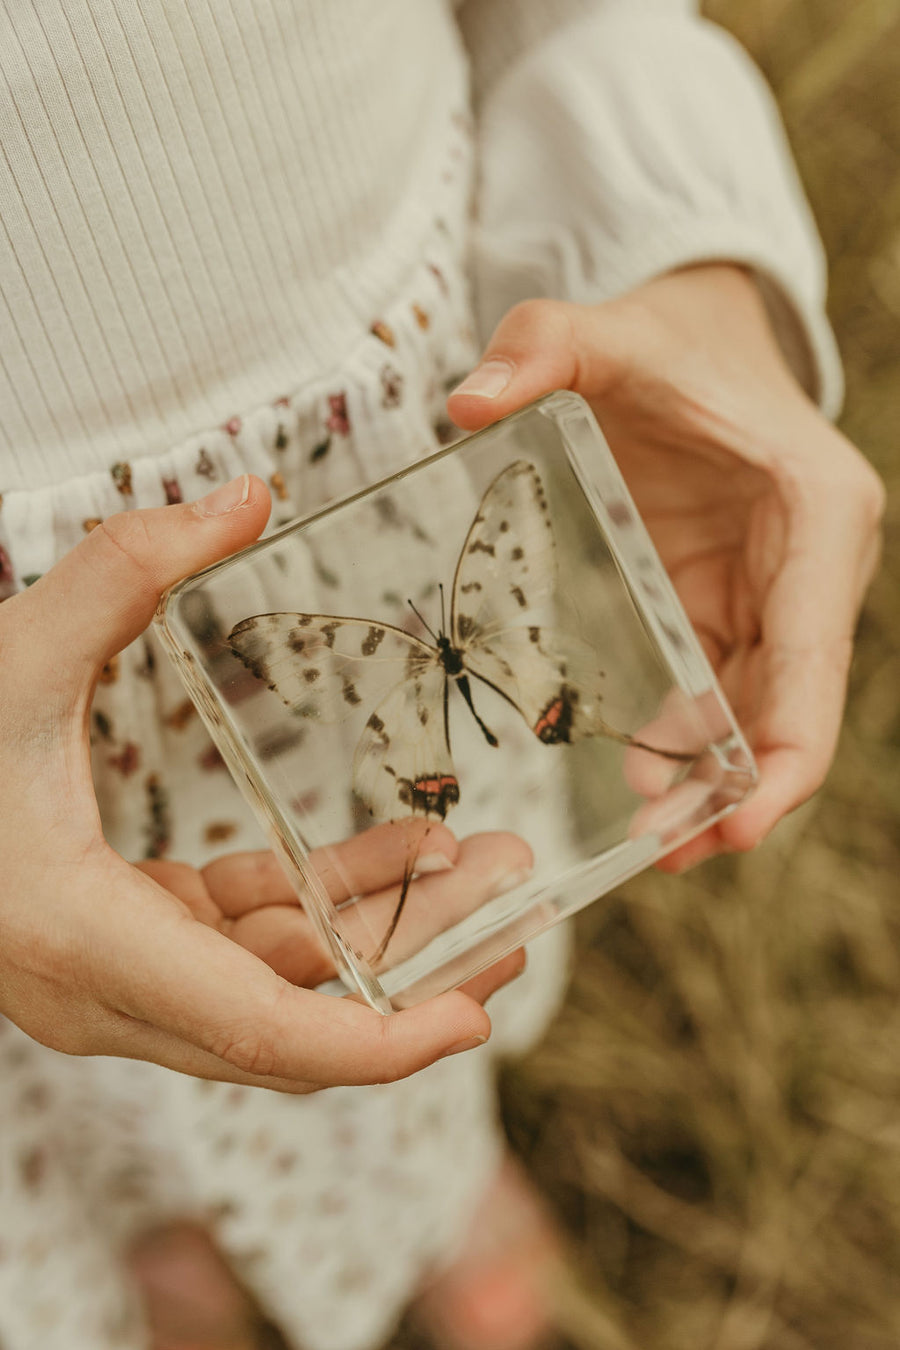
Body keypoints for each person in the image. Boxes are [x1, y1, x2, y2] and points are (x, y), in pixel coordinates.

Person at [0, 3, 883, 1349]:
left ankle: (409, 1184)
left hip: (366, 485)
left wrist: (678, 261)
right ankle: (151, 1239)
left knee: (405, 908)